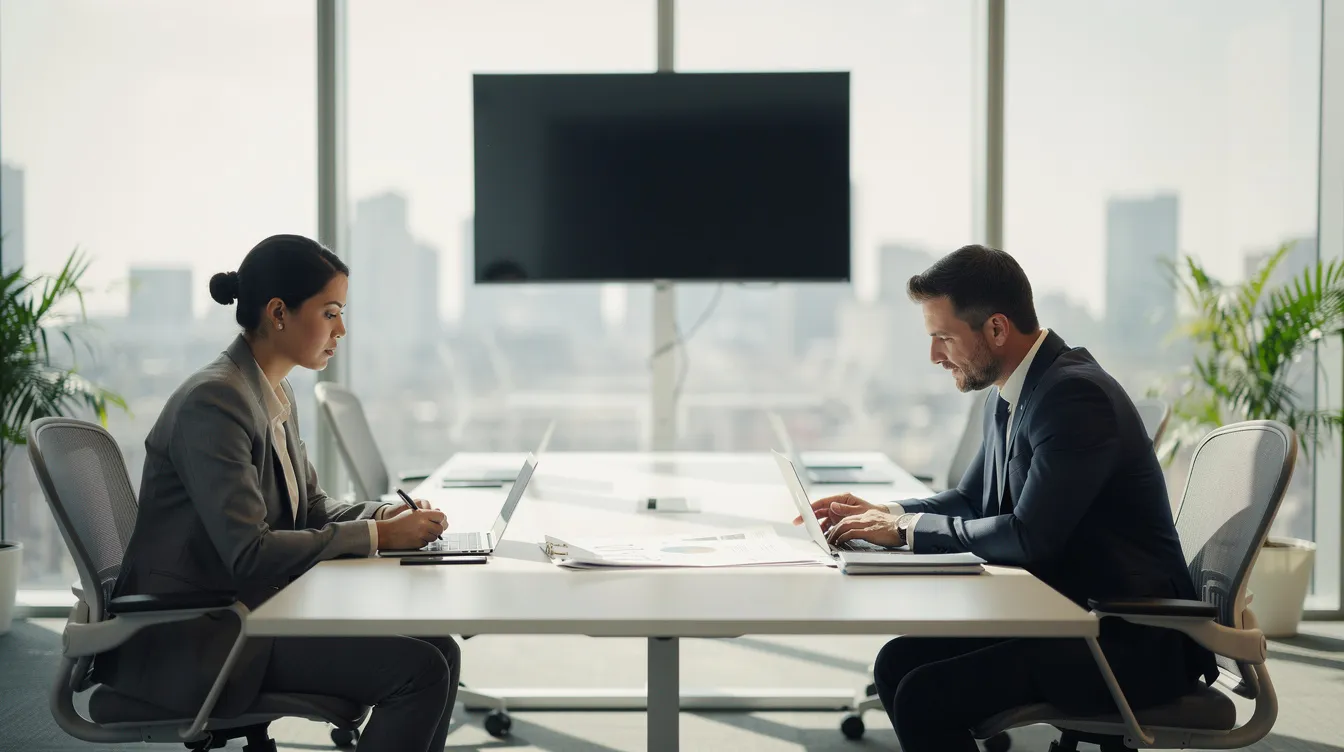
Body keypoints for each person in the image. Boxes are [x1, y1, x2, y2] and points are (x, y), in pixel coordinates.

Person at [794, 245, 1216, 752]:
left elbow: (1028, 535)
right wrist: (888, 514)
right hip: (1068, 613)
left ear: (996, 329)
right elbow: (972, 499)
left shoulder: (1073, 397)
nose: (934, 355)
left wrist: (905, 533)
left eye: (943, 337)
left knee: (926, 695)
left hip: (1129, 638)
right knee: (897, 664)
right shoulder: (1013, 391)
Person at [99, 234, 458, 752]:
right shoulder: (215, 401)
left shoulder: (270, 390)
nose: (342, 329)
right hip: (203, 636)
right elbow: (250, 553)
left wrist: (383, 515)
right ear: (279, 313)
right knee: (420, 670)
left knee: (440, 648)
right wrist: (378, 535)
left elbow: (309, 508)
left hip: (248, 614)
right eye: (331, 312)